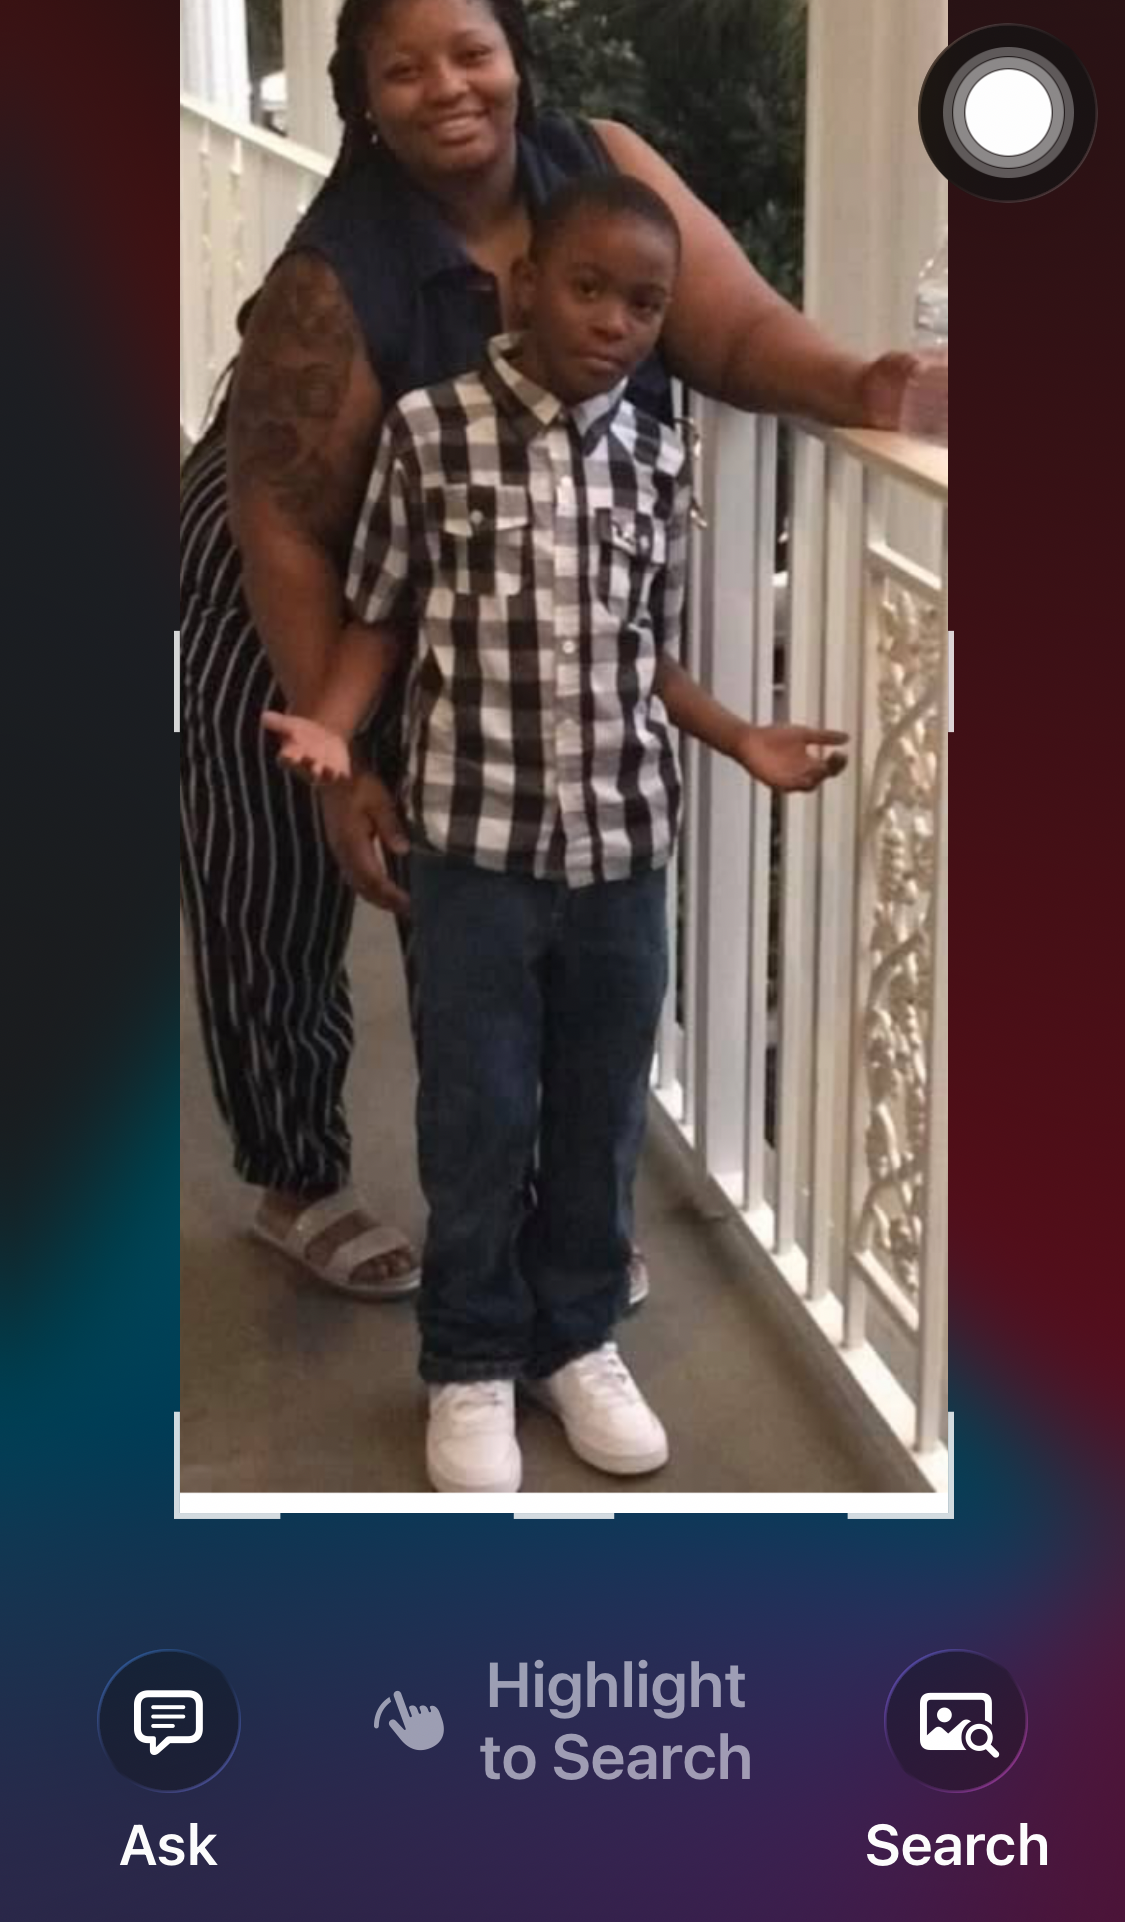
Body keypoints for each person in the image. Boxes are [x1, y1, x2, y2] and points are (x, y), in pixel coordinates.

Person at [180, 0, 941, 1310]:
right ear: (363, 100)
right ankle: (297, 1177)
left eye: (470, 53)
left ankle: (544, 1213)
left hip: (483, 565)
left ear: (518, 59)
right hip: (287, 552)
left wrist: (862, 383)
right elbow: (285, 520)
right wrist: (342, 760)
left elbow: (730, 330)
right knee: (279, 869)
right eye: (402, 71)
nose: (446, 88)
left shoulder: (601, 165)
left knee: (479, 884)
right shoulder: (332, 276)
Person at [263, 176, 848, 1491]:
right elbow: (381, 615)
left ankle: (573, 1339)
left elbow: (644, 651)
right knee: (478, 1112)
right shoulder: (431, 431)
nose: (616, 323)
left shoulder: (656, 451)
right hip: (476, 852)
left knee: (600, 1111)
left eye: (645, 305)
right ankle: (470, 1355)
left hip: (623, 849)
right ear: (524, 287)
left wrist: (741, 737)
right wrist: (337, 731)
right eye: (589, 289)